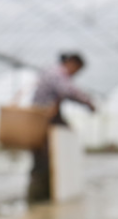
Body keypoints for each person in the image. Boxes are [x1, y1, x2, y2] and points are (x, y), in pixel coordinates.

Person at [27, 52, 96, 203]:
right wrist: (88, 102)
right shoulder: (57, 73)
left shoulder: (52, 72)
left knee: (49, 159)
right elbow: (67, 90)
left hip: (48, 118)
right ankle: (37, 200)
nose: (75, 74)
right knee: (43, 161)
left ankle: (46, 197)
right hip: (43, 120)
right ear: (72, 63)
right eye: (76, 70)